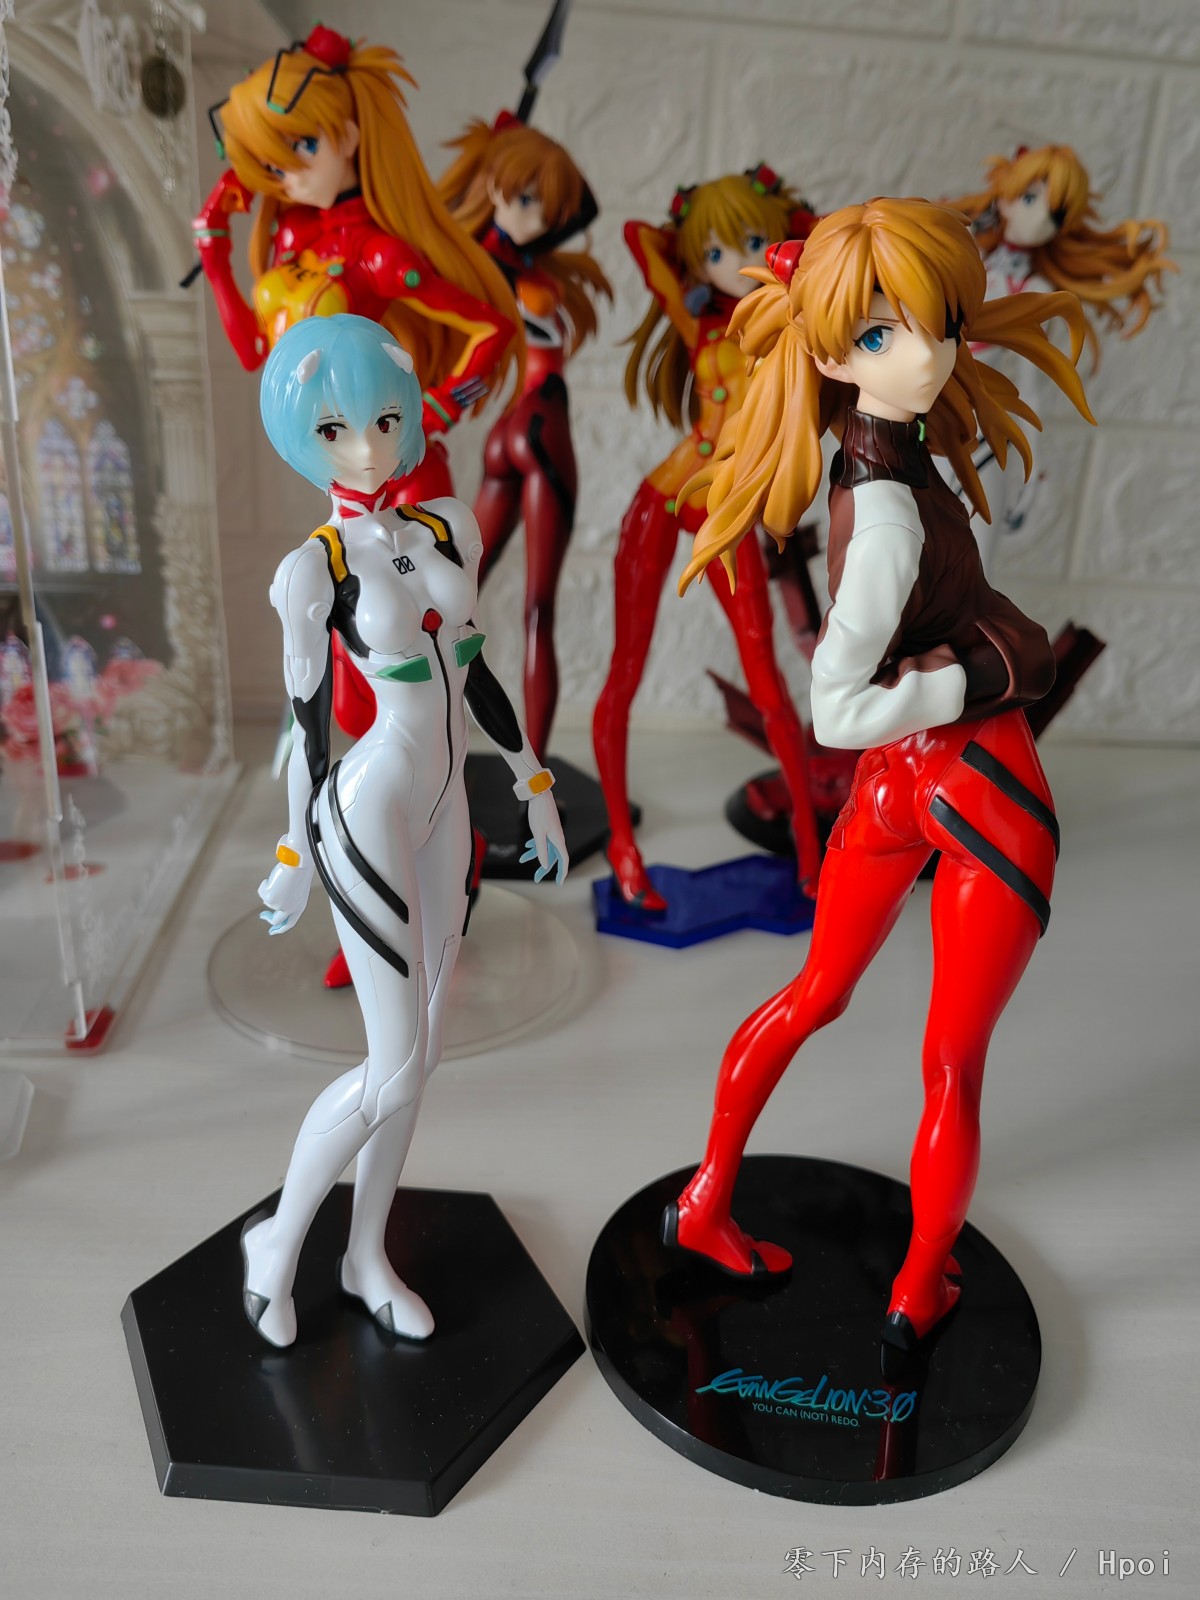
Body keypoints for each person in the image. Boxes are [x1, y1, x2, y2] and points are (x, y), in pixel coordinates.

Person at [664, 198, 1093, 1374]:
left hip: (899, 788)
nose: (925, 354)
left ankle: (705, 1199)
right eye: (878, 335)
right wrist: (976, 675)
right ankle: (919, 1285)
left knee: (815, 993)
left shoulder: (882, 464)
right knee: (950, 1061)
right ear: (828, 354)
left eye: (937, 321)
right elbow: (836, 711)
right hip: (970, 778)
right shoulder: (890, 513)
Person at [247, 314, 566, 1348]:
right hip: (371, 800)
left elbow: (475, 672)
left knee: (420, 1057)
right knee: (390, 1064)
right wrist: (293, 849)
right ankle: (277, 1245)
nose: (367, 447)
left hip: (447, 799)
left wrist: (532, 779)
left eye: (384, 419)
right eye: (335, 429)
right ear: (302, 440)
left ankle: (365, 1254)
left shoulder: (446, 526)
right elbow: (304, 723)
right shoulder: (314, 568)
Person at [592, 169, 823, 910]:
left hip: (727, 511)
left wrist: (799, 244)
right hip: (664, 499)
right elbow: (638, 238)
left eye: (751, 242)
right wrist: (691, 246)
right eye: (716, 252)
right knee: (625, 670)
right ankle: (622, 848)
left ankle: (810, 845)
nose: (734, 262)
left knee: (767, 680)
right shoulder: (700, 323)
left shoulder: (792, 326)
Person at [439, 112, 611, 758]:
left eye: (543, 207)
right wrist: (502, 163)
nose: (534, 219)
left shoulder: (508, 265)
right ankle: (518, 775)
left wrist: (510, 151)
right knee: (530, 611)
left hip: (508, 433)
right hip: (539, 427)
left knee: (457, 599)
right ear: (492, 186)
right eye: (524, 197)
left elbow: (584, 207)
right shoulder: (489, 267)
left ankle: (464, 762)